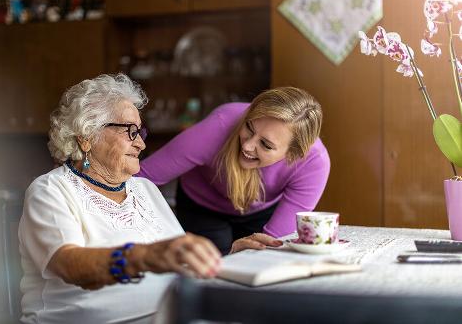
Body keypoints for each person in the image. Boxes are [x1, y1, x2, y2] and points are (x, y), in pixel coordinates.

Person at [18, 74, 281, 324]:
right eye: (129, 132)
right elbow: (70, 265)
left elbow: (178, 263)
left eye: (140, 133)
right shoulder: (51, 190)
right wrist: (144, 256)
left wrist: (228, 258)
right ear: (87, 138)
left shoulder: (144, 189)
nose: (141, 145)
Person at [138, 87, 330, 255]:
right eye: (249, 127)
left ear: (293, 155)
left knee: (261, 262)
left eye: (265, 144)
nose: (247, 146)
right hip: (202, 206)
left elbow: (273, 245)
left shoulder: (314, 163)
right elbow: (140, 178)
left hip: (262, 210)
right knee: (209, 273)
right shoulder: (220, 125)